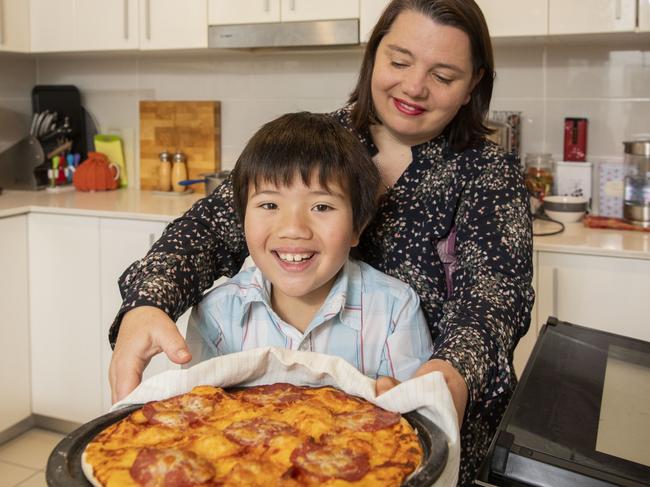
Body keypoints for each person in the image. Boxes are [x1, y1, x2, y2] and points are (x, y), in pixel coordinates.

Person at [109, 0, 534, 484]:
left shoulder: (488, 173)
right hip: (279, 436)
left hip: (424, 432)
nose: (414, 87)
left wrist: (449, 376)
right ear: (373, 55)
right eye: (398, 62)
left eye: (443, 75)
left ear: (474, 84)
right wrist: (146, 302)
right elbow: (206, 229)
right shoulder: (318, 143)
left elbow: (494, 301)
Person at [184, 112, 433, 383]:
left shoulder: (396, 310)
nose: (293, 229)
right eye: (270, 205)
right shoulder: (216, 314)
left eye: (321, 207)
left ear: (356, 228)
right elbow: (199, 410)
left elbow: (413, 415)